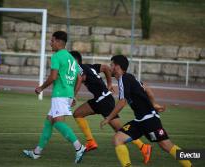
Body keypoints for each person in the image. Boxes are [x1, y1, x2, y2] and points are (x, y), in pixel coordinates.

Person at [100, 55, 192, 167]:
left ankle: (193, 161)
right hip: (140, 120)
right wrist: (154, 103)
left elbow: (122, 101)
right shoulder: (129, 78)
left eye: (111, 65)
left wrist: (109, 118)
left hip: (149, 120)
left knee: (167, 145)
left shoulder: (124, 79)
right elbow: (147, 88)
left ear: (117, 67)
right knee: (117, 139)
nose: (110, 68)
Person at [70, 51, 152, 164]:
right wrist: (109, 83)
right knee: (78, 114)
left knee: (120, 130)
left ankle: (144, 147)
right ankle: (90, 142)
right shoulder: (88, 66)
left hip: (104, 101)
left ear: (74, 61)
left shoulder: (79, 68)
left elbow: (80, 78)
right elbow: (105, 68)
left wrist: (72, 96)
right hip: (100, 99)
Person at [23, 31, 86, 164]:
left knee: (58, 122)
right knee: (49, 121)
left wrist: (41, 88)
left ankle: (79, 147)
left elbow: (53, 77)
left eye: (52, 41)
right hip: (67, 94)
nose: (50, 43)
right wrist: (73, 95)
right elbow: (79, 77)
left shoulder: (56, 56)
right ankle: (36, 152)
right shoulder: (71, 58)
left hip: (60, 94)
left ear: (58, 41)